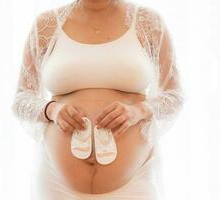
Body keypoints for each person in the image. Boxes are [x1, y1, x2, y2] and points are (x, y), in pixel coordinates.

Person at [11, 0, 185, 199]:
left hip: (134, 185)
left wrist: (138, 111)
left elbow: (174, 95)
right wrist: (52, 110)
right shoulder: (46, 24)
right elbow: (21, 99)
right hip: (56, 186)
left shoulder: (148, 22)